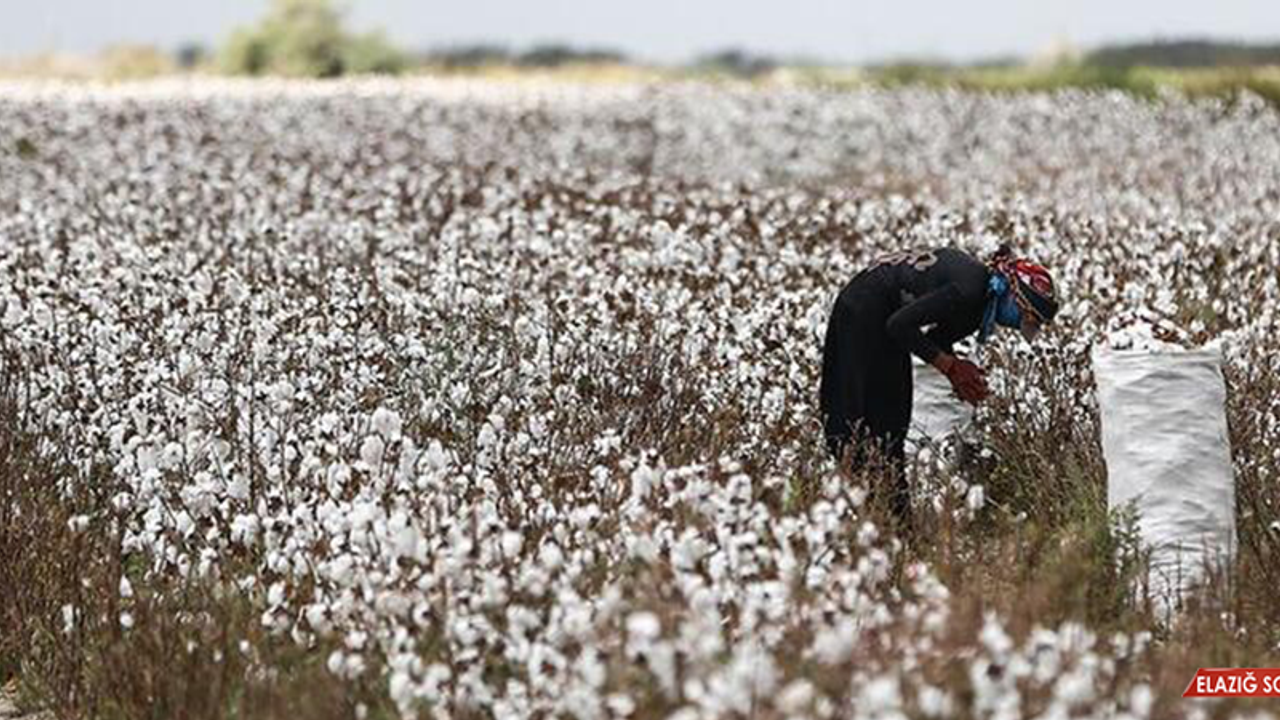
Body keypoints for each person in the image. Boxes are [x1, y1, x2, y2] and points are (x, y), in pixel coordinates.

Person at [819, 245, 1059, 524]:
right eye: (1026, 318)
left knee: (893, 422)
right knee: (869, 419)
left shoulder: (975, 302)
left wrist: (956, 373)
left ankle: (892, 520)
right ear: (1015, 297)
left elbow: (933, 340)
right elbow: (898, 325)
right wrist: (952, 368)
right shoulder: (970, 289)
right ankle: (868, 514)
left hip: (877, 315)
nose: (1019, 327)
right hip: (863, 311)